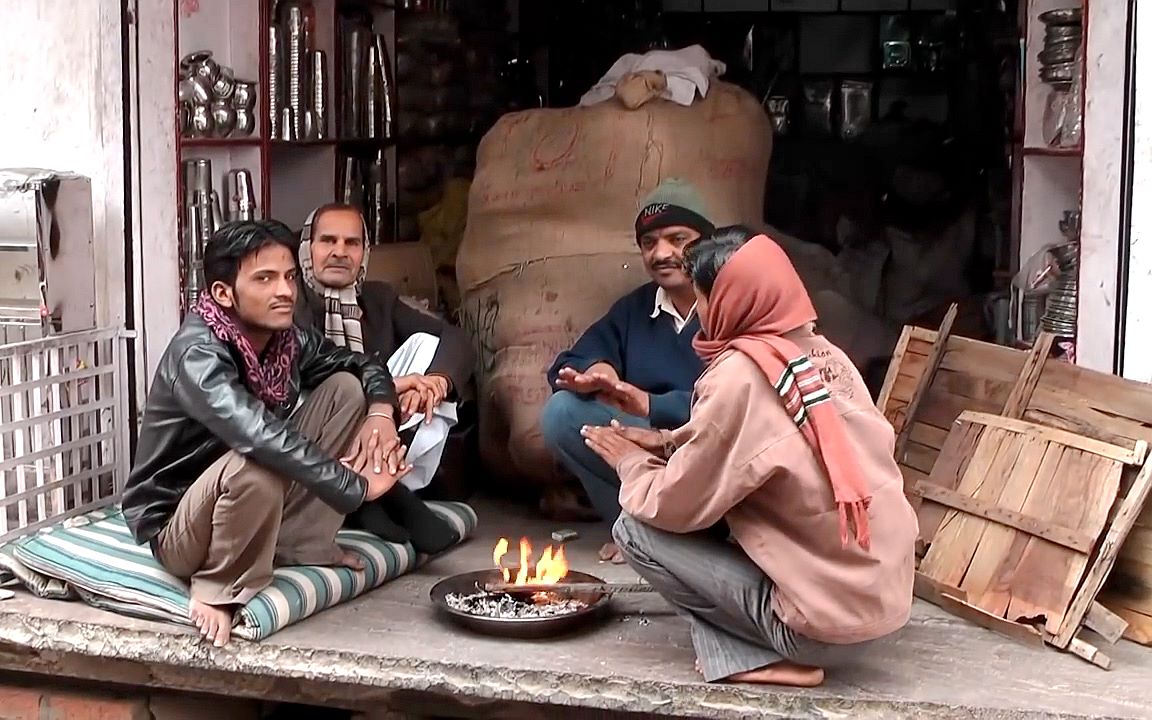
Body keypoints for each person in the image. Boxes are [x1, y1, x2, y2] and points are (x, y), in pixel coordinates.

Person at [581, 226, 918, 687]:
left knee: (634, 529)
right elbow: (770, 442)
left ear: (731, 301)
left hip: (818, 633)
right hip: (881, 607)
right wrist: (665, 443)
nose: (700, 315)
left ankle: (747, 658)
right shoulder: (823, 354)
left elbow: (675, 505)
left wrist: (630, 464)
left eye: (702, 300)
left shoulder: (740, 375)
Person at [123, 220, 455, 649]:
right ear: (224, 294)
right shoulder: (198, 354)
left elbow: (362, 365)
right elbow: (258, 435)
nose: (285, 291)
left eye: (289, 277)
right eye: (265, 279)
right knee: (258, 462)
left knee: (345, 390)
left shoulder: (287, 339)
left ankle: (300, 542)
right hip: (180, 526)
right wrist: (354, 486)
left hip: (245, 495)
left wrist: (380, 414)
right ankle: (217, 585)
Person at [540, 178, 714, 563]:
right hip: (650, 450)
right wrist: (597, 372)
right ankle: (635, 528)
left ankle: (704, 537)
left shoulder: (732, 301)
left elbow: (745, 403)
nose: (661, 253)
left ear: (708, 242)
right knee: (563, 412)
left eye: (678, 238)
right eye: (649, 243)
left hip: (712, 447)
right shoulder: (636, 309)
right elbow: (568, 364)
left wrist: (653, 404)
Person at [295, 203, 474, 543]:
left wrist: (436, 382)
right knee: (339, 391)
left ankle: (374, 488)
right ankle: (379, 499)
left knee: (426, 348)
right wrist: (386, 390)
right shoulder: (292, 303)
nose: (339, 252)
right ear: (308, 249)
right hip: (321, 423)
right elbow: (306, 375)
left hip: (382, 422)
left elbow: (456, 338)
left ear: (364, 253)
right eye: (327, 241)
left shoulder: (378, 298)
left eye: (352, 243)